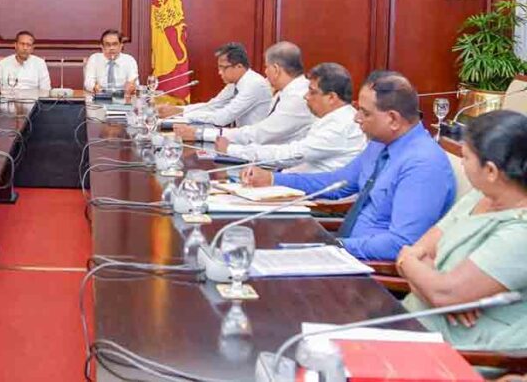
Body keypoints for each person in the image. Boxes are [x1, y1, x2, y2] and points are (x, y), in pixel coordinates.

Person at [242, 70, 455, 260]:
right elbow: (337, 183)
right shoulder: (380, 144)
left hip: (369, 269)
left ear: (393, 119)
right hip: (344, 251)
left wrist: (333, 247)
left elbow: (400, 243)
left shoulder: (424, 165)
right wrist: (272, 179)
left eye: (365, 112)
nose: (356, 118)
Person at [398, 111, 527, 351]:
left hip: (460, 351)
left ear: (491, 171)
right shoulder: (480, 196)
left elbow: (443, 292)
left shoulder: (521, 232)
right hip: (411, 322)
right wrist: (425, 277)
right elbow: (420, 252)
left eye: (465, 157)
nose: (462, 162)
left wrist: (410, 264)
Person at [213, 62, 365, 173]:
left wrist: (232, 150)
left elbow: (292, 154)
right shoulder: (332, 118)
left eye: (312, 92)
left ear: (331, 97)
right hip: (291, 182)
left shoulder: (340, 125)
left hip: (315, 200)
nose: (306, 96)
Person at [175, 41, 313, 146]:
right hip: (257, 147)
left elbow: (259, 133)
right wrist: (179, 111)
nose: (265, 72)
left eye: (266, 67)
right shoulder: (284, 92)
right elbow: (213, 105)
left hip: (271, 156)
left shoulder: (297, 97)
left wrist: (202, 134)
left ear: (276, 69)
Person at [157, 42, 272, 128]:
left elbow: (223, 118)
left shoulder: (254, 85)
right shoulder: (234, 84)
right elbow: (212, 106)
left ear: (239, 66)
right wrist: (178, 109)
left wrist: (181, 113)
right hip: (240, 138)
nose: (219, 72)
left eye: (223, 68)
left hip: (253, 144)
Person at [83, 29, 138, 95]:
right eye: (107, 44)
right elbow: (88, 82)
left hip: (123, 97)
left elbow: (135, 83)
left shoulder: (129, 60)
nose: (111, 48)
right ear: (102, 46)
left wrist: (131, 86)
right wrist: (94, 87)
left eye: (115, 44)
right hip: (100, 97)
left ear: (121, 45)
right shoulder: (94, 59)